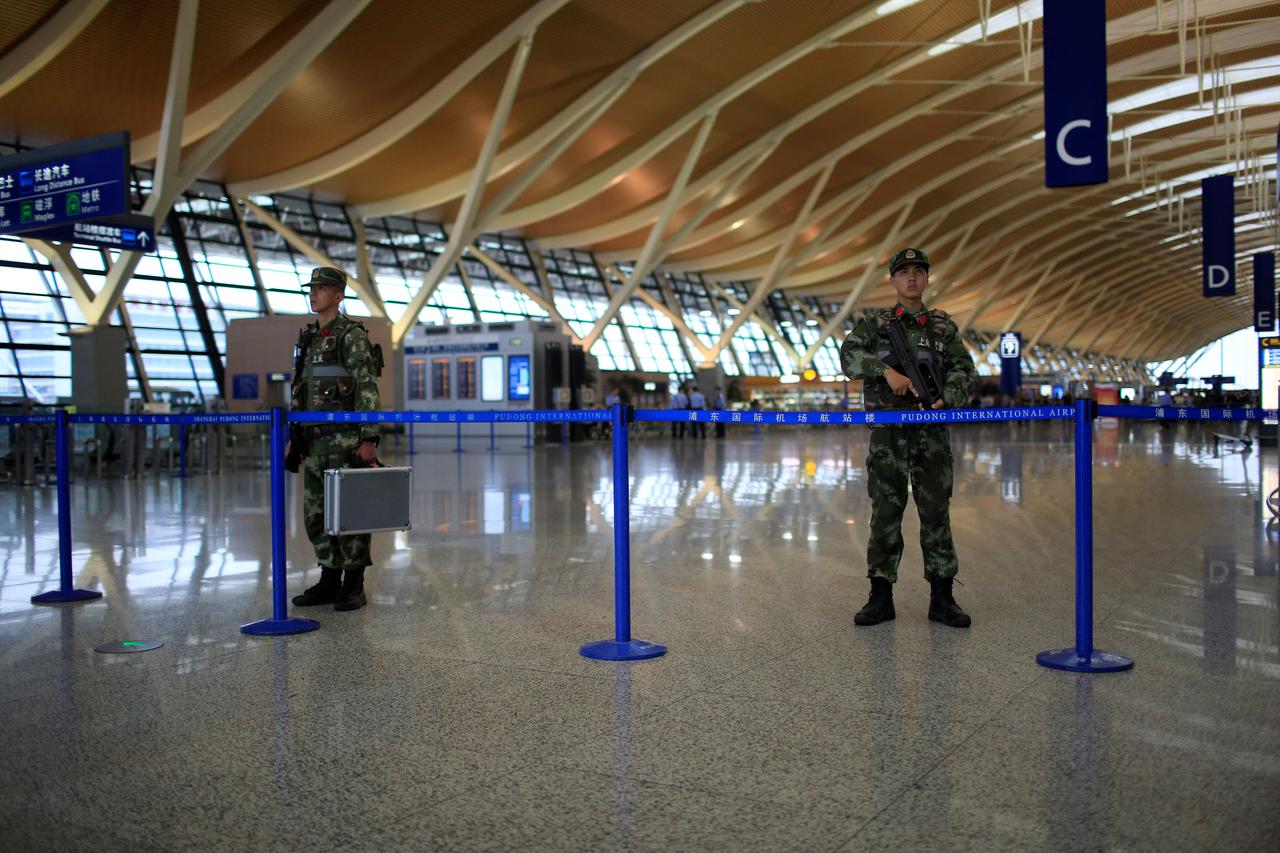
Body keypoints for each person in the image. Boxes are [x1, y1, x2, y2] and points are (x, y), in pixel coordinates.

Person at [839, 247, 976, 628]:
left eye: (918, 271)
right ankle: (880, 596)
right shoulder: (875, 324)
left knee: (936, 515)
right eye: (903, 272)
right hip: (889, 434)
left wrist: (949, 395)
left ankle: (942, 597)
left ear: (927, 278)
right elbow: (848, 355)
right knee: (886, 512)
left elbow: (964, 368)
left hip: (931, 433)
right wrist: (886, 372)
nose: (911, 278)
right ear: (893, 280)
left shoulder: (942, 326)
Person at [288, 267, 383, 612]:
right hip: (314, 445)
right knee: (317, 516)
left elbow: (366, 387)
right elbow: (300, 390)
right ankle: (329, 579)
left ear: (338, 295)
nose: (314, 294)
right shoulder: (309, 338)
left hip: (345, 444)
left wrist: (369, 437)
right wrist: (295, 438)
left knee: (350, 514)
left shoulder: (351, 336)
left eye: (322, 288)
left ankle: (353, 583)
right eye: (312, 288)